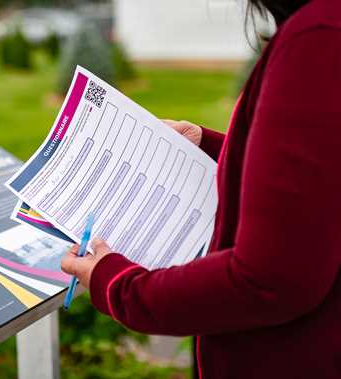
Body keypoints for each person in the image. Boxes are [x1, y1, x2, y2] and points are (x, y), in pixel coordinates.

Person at [61, 0, 341, 377]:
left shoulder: (319, 36)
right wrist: (215, 147)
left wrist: (120, 288)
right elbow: (320, 175)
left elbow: (268, 280)